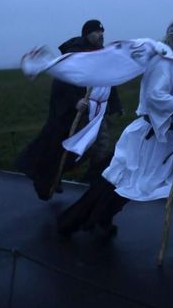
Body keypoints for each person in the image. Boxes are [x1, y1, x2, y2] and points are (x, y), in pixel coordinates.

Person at [56, 17, 173, 246]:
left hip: (171, 137)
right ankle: (89, 219)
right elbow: (155, 96)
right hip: (152, 138)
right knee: (127, 184)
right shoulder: (164, 62)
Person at [16, 19, 122, 200]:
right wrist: (75, 101)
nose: (101, 35)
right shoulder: (75, 54)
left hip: (96, 112)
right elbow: (63, 83)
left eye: (102, 32)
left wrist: (115, 104)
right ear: (87, 34)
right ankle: (50, 176)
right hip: (76, 112)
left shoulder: (100, 54)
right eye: (96, 32)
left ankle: (95, 180)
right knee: (71, 151)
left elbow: (107, 79)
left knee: (102, 145)